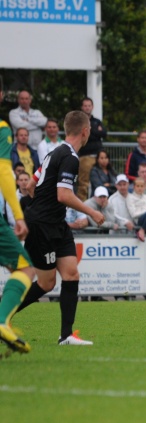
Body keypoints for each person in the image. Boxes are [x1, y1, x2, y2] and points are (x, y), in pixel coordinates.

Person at [15, 110, 105, 346]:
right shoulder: (70, 157)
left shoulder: (53, 153)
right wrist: (92, 211)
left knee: (71, 274)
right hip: (43, 226)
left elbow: (30, 186)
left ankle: (66, 336)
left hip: (56, 224)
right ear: (85, 132)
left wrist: (42, 207)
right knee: (46, 283)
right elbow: (64, 195)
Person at [0, 92, 37, 354]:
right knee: (25, 268)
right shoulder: (2, 129)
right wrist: (19, 216)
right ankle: (2, 322)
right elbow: (4, 172)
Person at [77, 97, 107, 202]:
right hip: (85, 156)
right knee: (84, 184)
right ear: (82, 107)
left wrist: (90, 131)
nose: (87, 108)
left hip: (99, 157)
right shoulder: (79, 121)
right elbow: (83, 136)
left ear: (92, 107)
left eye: (89, 105)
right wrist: (96, 132)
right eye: (85, 105)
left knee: (100, 182)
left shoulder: (97, 121)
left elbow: (104, 133)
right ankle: (81, 208)